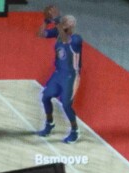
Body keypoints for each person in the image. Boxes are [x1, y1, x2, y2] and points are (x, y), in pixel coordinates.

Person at [36, 8, 82, 144]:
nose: (62, 22)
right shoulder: (58, 33)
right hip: (58, 73)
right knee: (45, 97)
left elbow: (65, 40)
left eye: (64, 22)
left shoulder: (76, 39)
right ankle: (49, 123)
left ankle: (75, 131)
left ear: (71, 26)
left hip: (70, 76)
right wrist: (45, 21)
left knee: (66, 105)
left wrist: (56, 20)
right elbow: (40, 34)